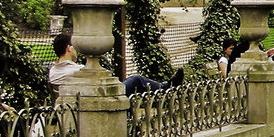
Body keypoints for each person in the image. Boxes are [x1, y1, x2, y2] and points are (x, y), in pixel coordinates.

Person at [50, 32, 182, 94]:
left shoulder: (54, 71)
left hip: (85, 99)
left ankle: (165, 87)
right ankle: (166, 87)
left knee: (132, 82)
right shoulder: (76, 71)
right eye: (74, 46)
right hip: (100, 99)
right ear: (68, 48)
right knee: (135, 80)